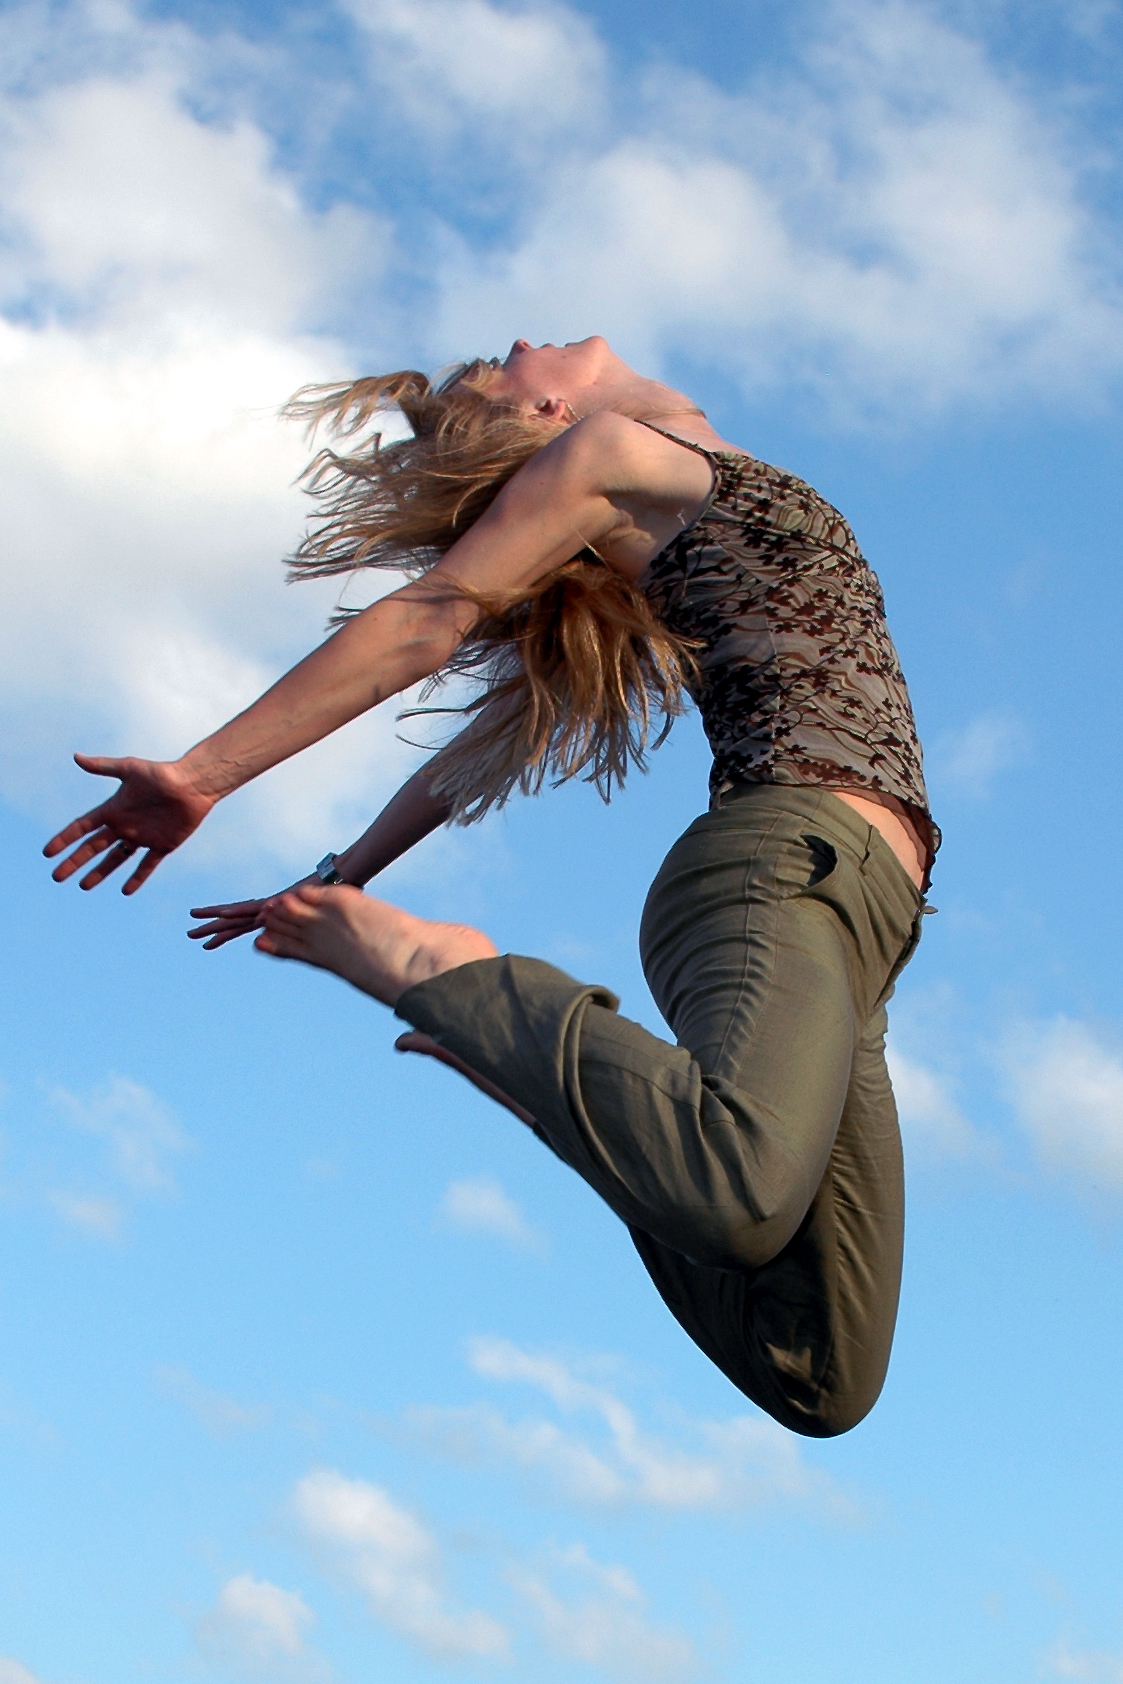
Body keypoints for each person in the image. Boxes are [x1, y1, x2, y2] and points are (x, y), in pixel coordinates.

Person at [44, 336, 936, 1438]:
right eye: (492, 370)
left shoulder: (684, 469)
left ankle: (550, 1086)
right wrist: (201, 776)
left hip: (867, 935)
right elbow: (433, 614)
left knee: (819, 1373)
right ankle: (457, 975)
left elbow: (463, 760)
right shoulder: (612, 452)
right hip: (779, 868)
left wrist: (341, 872)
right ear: (548, 413)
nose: (511, 342)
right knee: (735, 1186)